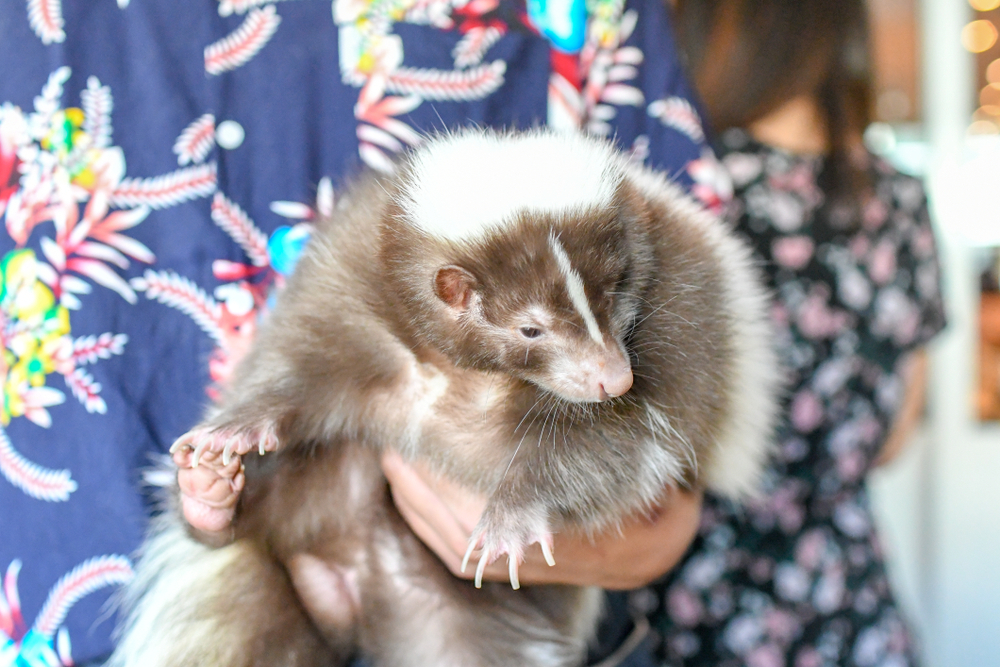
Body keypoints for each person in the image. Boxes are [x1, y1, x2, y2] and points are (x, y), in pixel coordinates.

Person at [0, 0, 717, 664]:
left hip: (485, 592)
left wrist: (609, 511)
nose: (609, 368)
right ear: (454, 293)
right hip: (161, 585)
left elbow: (676, 417)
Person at [381, 0, 947, 665]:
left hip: (686, 597)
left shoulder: (676, 195)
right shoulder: (901, 201)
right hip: (850, 608)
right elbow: (897, 432)